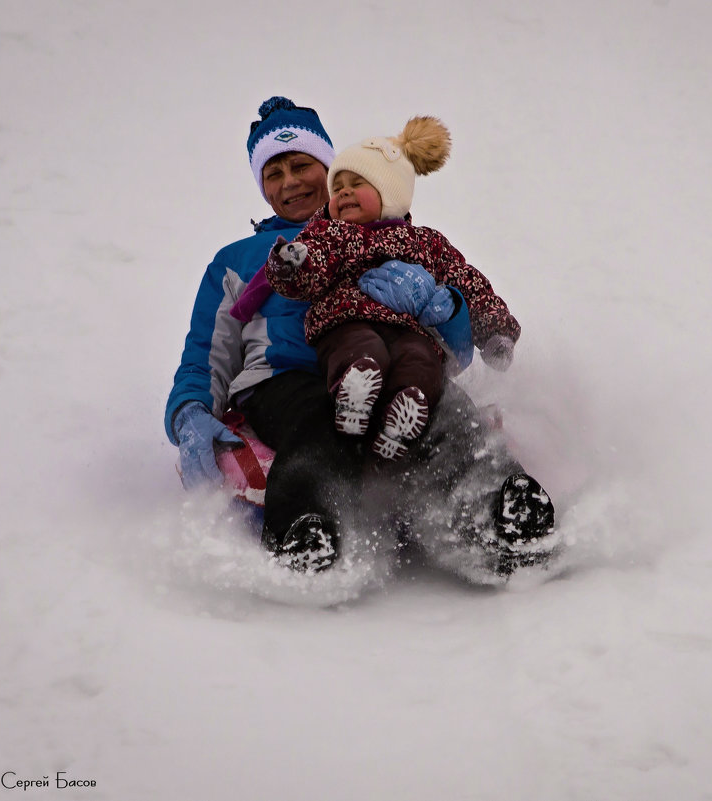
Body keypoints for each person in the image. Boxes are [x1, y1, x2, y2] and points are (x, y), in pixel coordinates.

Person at [165, 96, 557, 578]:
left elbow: (454, 349)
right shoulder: (243, 258)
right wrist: (190, 414)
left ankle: (503, 512)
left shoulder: (395, 235)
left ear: (330, 169)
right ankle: (303, 534)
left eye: (301, 165)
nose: (290, 181)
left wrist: (441, 304)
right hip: (287, 379)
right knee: (314, 427)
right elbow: (206, 353)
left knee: (446, 417)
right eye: (274, 173)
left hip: (395, 370)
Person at [263, 116, 519, 461]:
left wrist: (495, 332)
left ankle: (404, 414)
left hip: (411, 328)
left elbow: (466, 281)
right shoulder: (328, 234)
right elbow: (310, 270)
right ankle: (353, 394)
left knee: (420, 360)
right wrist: (291, 263)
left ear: (391, 193)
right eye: (337, 187)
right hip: (347, 319)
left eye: (358, 183)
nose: (344, 192)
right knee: (361, 349)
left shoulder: (425, 243)